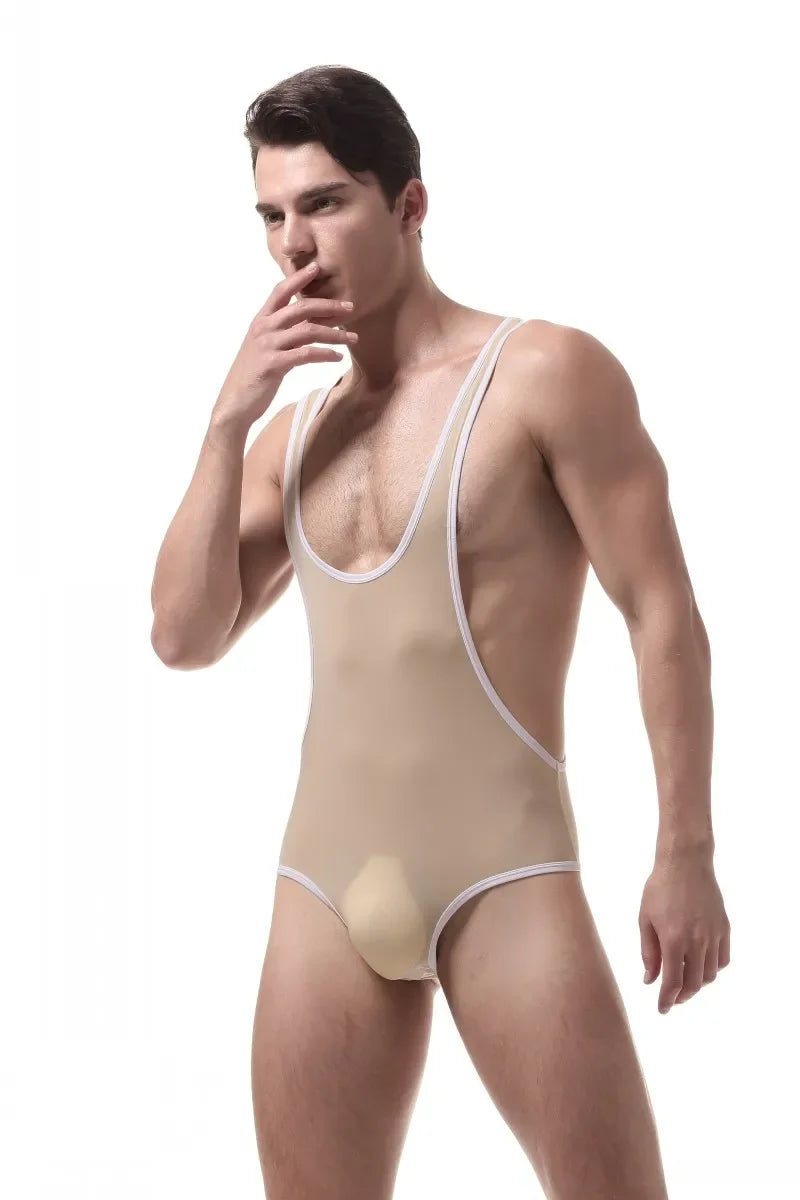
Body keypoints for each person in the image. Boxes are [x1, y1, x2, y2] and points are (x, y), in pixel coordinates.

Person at [150, 64, 730, 1200]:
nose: (292, 245)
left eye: (325, 203)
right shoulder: (291, 436)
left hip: (506, 876)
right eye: (271, 215)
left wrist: (686, 852)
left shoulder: (543, 374)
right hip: (322, 887)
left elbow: (660, 610)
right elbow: (181, 635)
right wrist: (225, 423)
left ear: (410, 205)